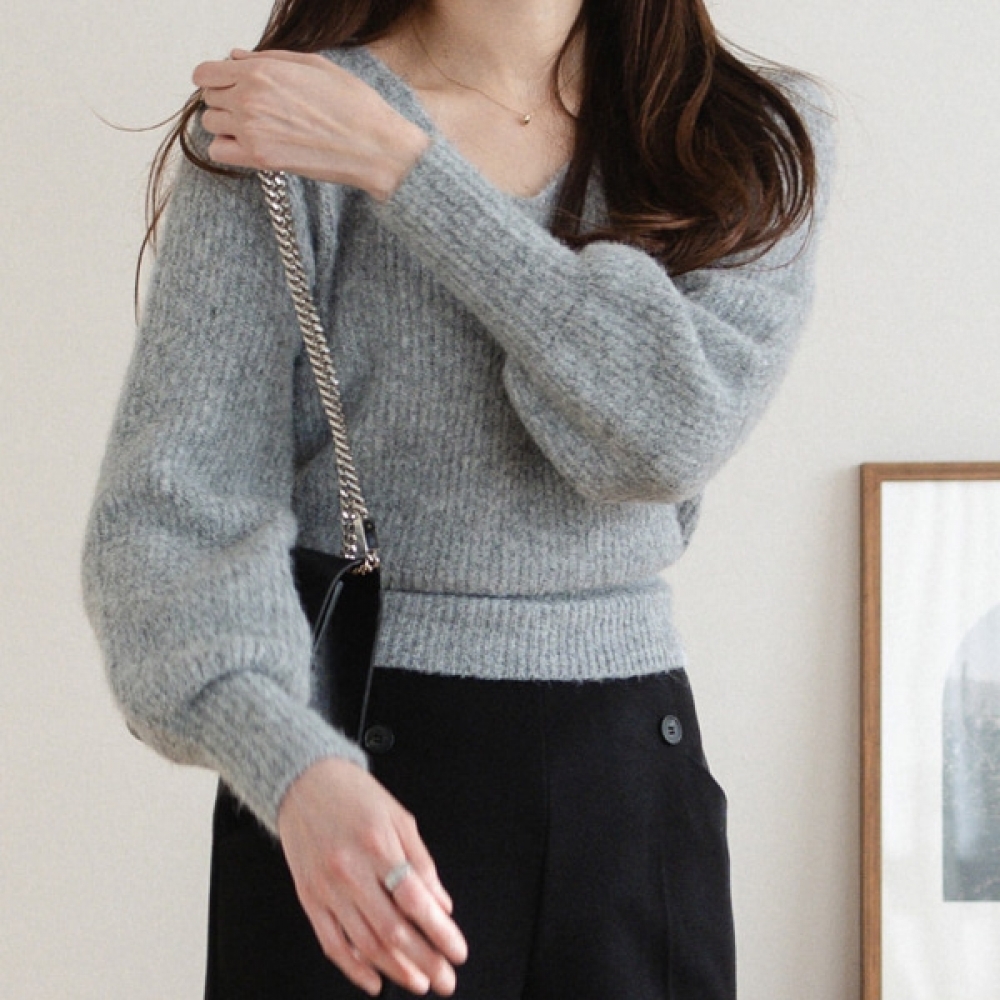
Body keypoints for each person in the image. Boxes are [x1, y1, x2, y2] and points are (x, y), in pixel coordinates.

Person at [81, 0, 835, 997]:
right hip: (351, 780)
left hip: (631, 787)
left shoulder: (743, 136)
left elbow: (661, 434)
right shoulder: (283, 123)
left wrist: (405, 167)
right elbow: (171, 521)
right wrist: (294, 770)